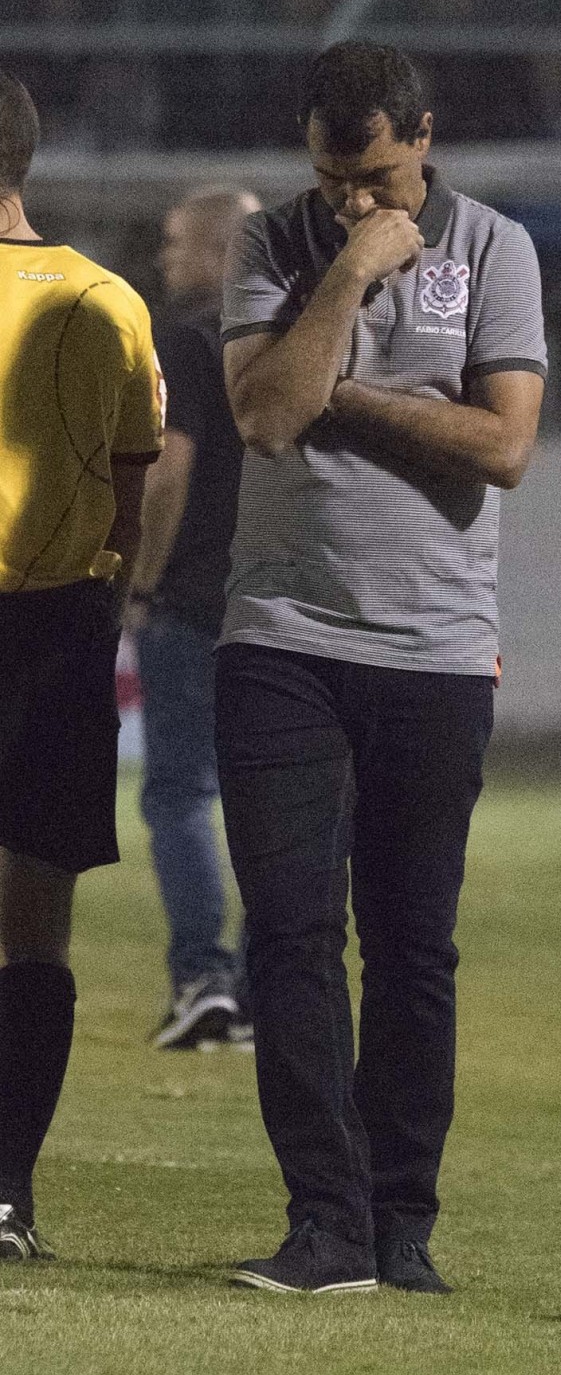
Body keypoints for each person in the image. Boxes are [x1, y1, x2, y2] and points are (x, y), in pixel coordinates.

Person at [216, 40, 546, 1295]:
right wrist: (352, 272)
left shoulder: (494, 249)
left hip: (437, 648)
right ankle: (326, 1223)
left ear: (422, 134)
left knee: (414, 944)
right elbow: (259, 415)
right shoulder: (276, 245)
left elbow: (502, 445)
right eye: (331, 178)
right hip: (283, 640)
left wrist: (338, 395)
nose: (354, 200)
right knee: (291, 935)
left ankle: (402, 1223)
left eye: (377, 179)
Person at [0, 72, 164, 1260]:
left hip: (49, 622)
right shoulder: (108, 298)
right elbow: (133, 482)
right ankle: (8, 1194)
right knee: (35, 923)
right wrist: (101, 600)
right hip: (59, 626)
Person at [123, 186, 260, 1052]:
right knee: (268, 805)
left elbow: (169, 476)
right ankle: (256, 990)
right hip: (275, 604)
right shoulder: (285, 340)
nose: (168, 257)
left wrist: (140, 583)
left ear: (218, 249)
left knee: (179, 794)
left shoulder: (187, 338)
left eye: (179, 242)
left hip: (192, 605)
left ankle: (203, 978)